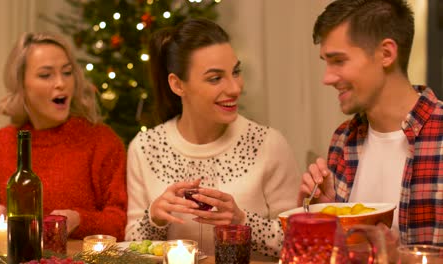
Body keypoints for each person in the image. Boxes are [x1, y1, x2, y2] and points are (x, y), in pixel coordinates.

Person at [125, 18, 300, 258]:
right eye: (215, 78)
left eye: (235, 72)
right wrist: (154, 218)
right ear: (177, 85)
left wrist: (242, 222)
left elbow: (299, 242)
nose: (235, 88)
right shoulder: (144, 148)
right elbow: (132, 249)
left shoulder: (269, 144)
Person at [298, 0, 442, 246]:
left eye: (339, 61)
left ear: (386, 53)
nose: (327, 78)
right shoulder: (343, 138)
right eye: (326, 61)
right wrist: (324, 215)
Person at [0, 32, 127, 240]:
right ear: (21, 84)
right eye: (46, 75)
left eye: (67, 73)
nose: (61, 83)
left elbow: (121, 222)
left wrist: (79, 221)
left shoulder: (102, 141)